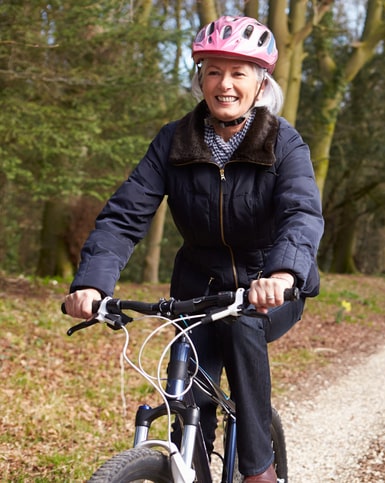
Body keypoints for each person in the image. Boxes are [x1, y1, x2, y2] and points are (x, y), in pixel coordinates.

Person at [63, 16, 324, 483]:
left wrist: (283, 275)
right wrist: (91, 283)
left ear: (260, 82)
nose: (225, 84)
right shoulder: (174, 140)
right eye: (213, 71)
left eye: (238, 72)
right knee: (190, 399)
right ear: (199, 78)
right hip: (197, 288)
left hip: (267, 286)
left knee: (245, 327)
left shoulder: (283, 143)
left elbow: (300, 215)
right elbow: (125, 215)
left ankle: (259, 470)